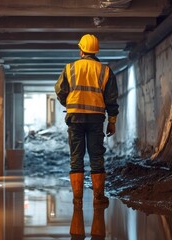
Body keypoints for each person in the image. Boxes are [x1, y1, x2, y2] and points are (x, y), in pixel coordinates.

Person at [54, 34, 119, 208]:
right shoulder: (105, 71)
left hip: (75, 117)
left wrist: (68, 103)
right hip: (96, 118)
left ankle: (77, 200)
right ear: (96, 50)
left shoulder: (70, 68)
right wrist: (112, 121)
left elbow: (60, 90)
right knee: (96, 156)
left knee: (76, 156)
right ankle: (98, 198)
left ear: (81, 49)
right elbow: (111, 99)